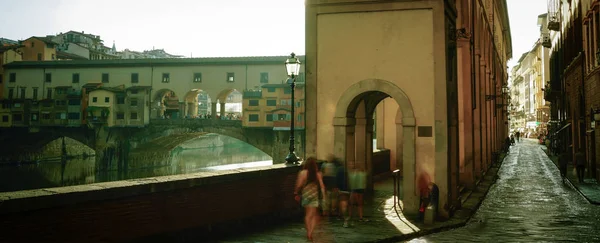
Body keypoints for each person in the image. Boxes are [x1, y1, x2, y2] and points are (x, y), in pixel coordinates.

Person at [294, 157, 326, 241]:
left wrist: (296, 193)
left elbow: (299, 185)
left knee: (308, 215)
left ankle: (308, 232)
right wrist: (324, 196)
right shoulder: (318, 174)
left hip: (305, 196)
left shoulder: (302, 173)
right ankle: (311, 232)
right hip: (314, 196)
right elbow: (322, 186)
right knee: (314, 215)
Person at [335, 157, 351, 227]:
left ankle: (345, 220)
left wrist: (337, 188)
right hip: (347, 190)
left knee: (343, 205)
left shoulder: (338, 171)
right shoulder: (346, 170)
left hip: (342, 190)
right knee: (346, 205)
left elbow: (337, 181)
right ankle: (345, 218)